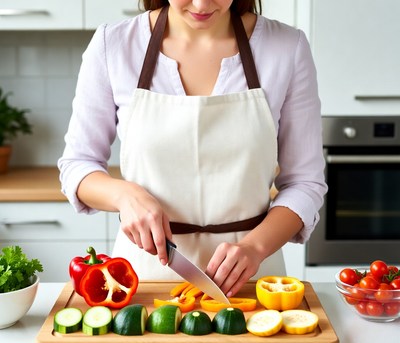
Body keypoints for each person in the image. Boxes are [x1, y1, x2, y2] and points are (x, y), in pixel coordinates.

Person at [58, 0, 327, 298]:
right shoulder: (115, 45)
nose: (201, 4)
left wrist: (254, 247)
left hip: (252, 282)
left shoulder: (286, 48)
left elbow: (305, 183)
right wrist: (124, 196)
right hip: (142, 280)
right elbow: (78, 165)